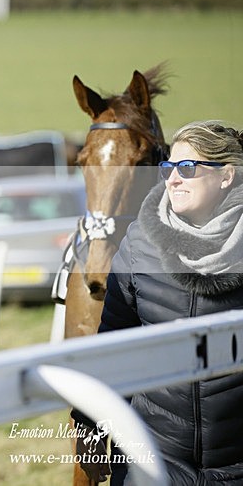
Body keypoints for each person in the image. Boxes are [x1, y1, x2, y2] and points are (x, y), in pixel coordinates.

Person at [73, 121, 243, 484]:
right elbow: (112, 345)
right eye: (168, 168)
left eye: (187, 168)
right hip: (152, 457)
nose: (172, 179)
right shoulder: (139, 244)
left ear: (226, 176)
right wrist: (90, 429)